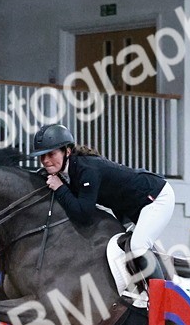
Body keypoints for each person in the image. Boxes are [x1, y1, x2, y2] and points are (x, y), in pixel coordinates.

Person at [29, 123, 175, 286]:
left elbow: (84, 215)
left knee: (138, 246)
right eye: (42, 156)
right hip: (127, 208)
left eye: (51, 154)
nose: (45, 161)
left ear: (67, 151)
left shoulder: (86, 169)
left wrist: (60, 188)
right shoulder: (66, 171)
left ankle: (162, 299)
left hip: (156, 196)